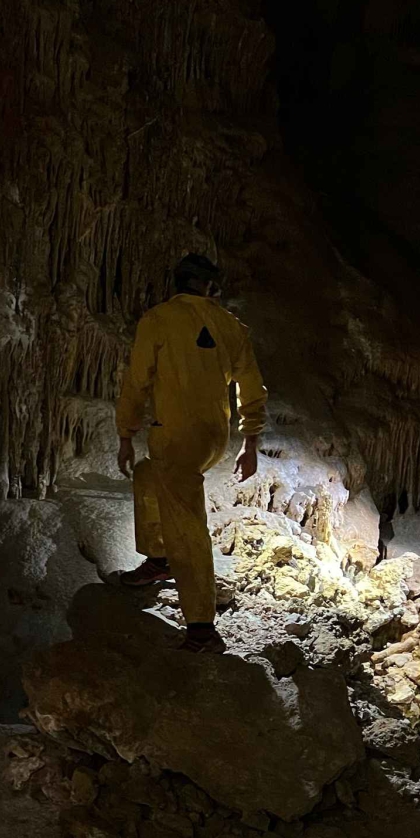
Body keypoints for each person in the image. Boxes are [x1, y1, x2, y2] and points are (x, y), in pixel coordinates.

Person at [114, 253, 267, 654]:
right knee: (148, 477)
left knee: (186, 525)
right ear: (208, 286)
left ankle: (201, 627)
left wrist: (126, 433)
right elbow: (251, 386)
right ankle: (160, 559)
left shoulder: (159, 319)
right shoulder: (230, 326)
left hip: (176, 438)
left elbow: (137, 381)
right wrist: (250, 442)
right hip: (214, 437)